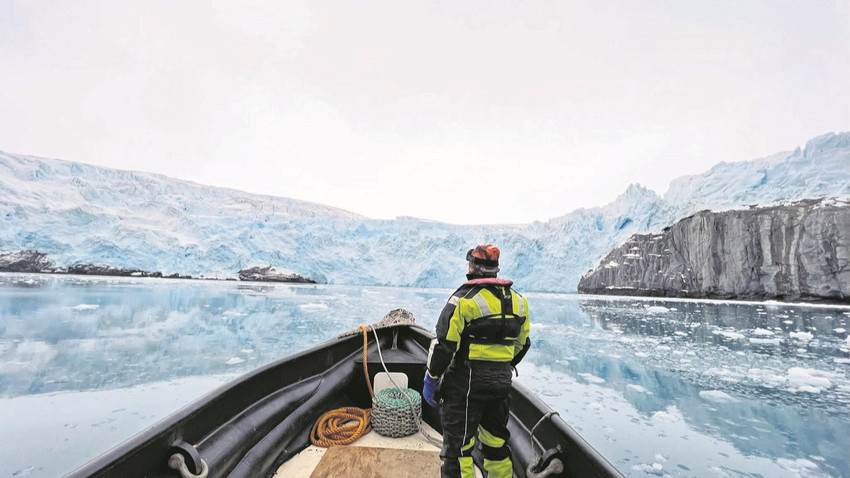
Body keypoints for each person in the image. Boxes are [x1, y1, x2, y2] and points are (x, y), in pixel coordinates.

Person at [423, 244, 532, 478]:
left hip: (465, 385)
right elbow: (523, 344)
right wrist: (500, 366)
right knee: (495, 443)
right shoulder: (519, 302)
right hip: (501, 384)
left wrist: (431, 378)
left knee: (459, 449)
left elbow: (444, 345)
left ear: (473, 267)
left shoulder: (463, 300)